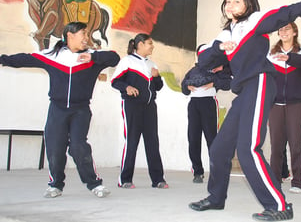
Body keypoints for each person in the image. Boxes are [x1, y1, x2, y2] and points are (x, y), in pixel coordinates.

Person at [188, 0, 301, 221]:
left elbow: (286, 12)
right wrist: (220, 48)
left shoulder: (255, 21)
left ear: (248, 4)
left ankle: (279, 205)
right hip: (243, 92)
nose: (231, 5)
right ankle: (216, 197)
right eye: (228, 1)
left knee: (247, 148)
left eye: (237, 1)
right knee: (220, 147)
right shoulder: (226, 33)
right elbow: (202, 60)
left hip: (260, 82)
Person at [0, 21, 120, 198]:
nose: (86, 38)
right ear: (70, 35)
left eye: (87, 34)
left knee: (79, 147)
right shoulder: (52, 55)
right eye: (83, 34)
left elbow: (114, 58)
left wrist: (93, 58)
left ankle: (94, 184)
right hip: (57, 109)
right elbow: (23, 59)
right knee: (55, 147)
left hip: (81, 110)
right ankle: (55, 184)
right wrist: (2, 59)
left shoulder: (92, 56)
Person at [267, 22, 301, 194]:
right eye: (281, 29)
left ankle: (298, 182)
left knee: (297, 144)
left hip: (296, 104)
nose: (284, 32)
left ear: (294, 32)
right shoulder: (270, 55)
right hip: (275, 105)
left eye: (287, 29)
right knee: (276, 146)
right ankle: (275, 181)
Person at [111, 33, 168, 189]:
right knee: (132, 141)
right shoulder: (127, 61)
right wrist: (127, 87)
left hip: (150, 107)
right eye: (150, 43)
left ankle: (158, 179)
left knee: (153, 143)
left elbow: (158, 87)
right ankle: (125, 179)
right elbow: (115, 81)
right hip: (132, 105)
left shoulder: (152, 63)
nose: (152, 46)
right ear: (141, 44)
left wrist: (157, 77)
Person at [181, 44, 232, 183]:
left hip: (208, 103)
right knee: (193, 138)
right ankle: (197, 172)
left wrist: (214, 82)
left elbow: (228, 83)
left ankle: (216, 171)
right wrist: (187, 86)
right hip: (193, 105)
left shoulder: (217, 69)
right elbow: (184, 86)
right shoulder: (193, 70)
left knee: (212, 138)